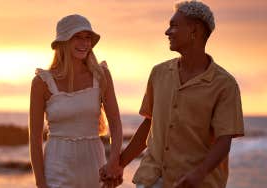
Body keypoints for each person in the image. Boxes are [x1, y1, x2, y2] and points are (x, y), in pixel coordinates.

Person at [100, 1, 244, 187]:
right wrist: (118, 165)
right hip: (150, 180)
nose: (167, 32)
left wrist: (199, 174)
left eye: (174, 26)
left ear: (195, 30)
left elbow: (224, 141)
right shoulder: (159, 73)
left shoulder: (224, 85)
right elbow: (149, 124)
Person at [29, 14, 123, 188]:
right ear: (63, 42)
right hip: (57, 167)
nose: (84, 43)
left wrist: (113, 163)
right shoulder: (42, 82)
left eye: (88, 38)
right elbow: (34, 140)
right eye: (77, 37)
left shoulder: (101, 76)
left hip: (94, 166)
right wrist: (40, 183)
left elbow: (116, 127)